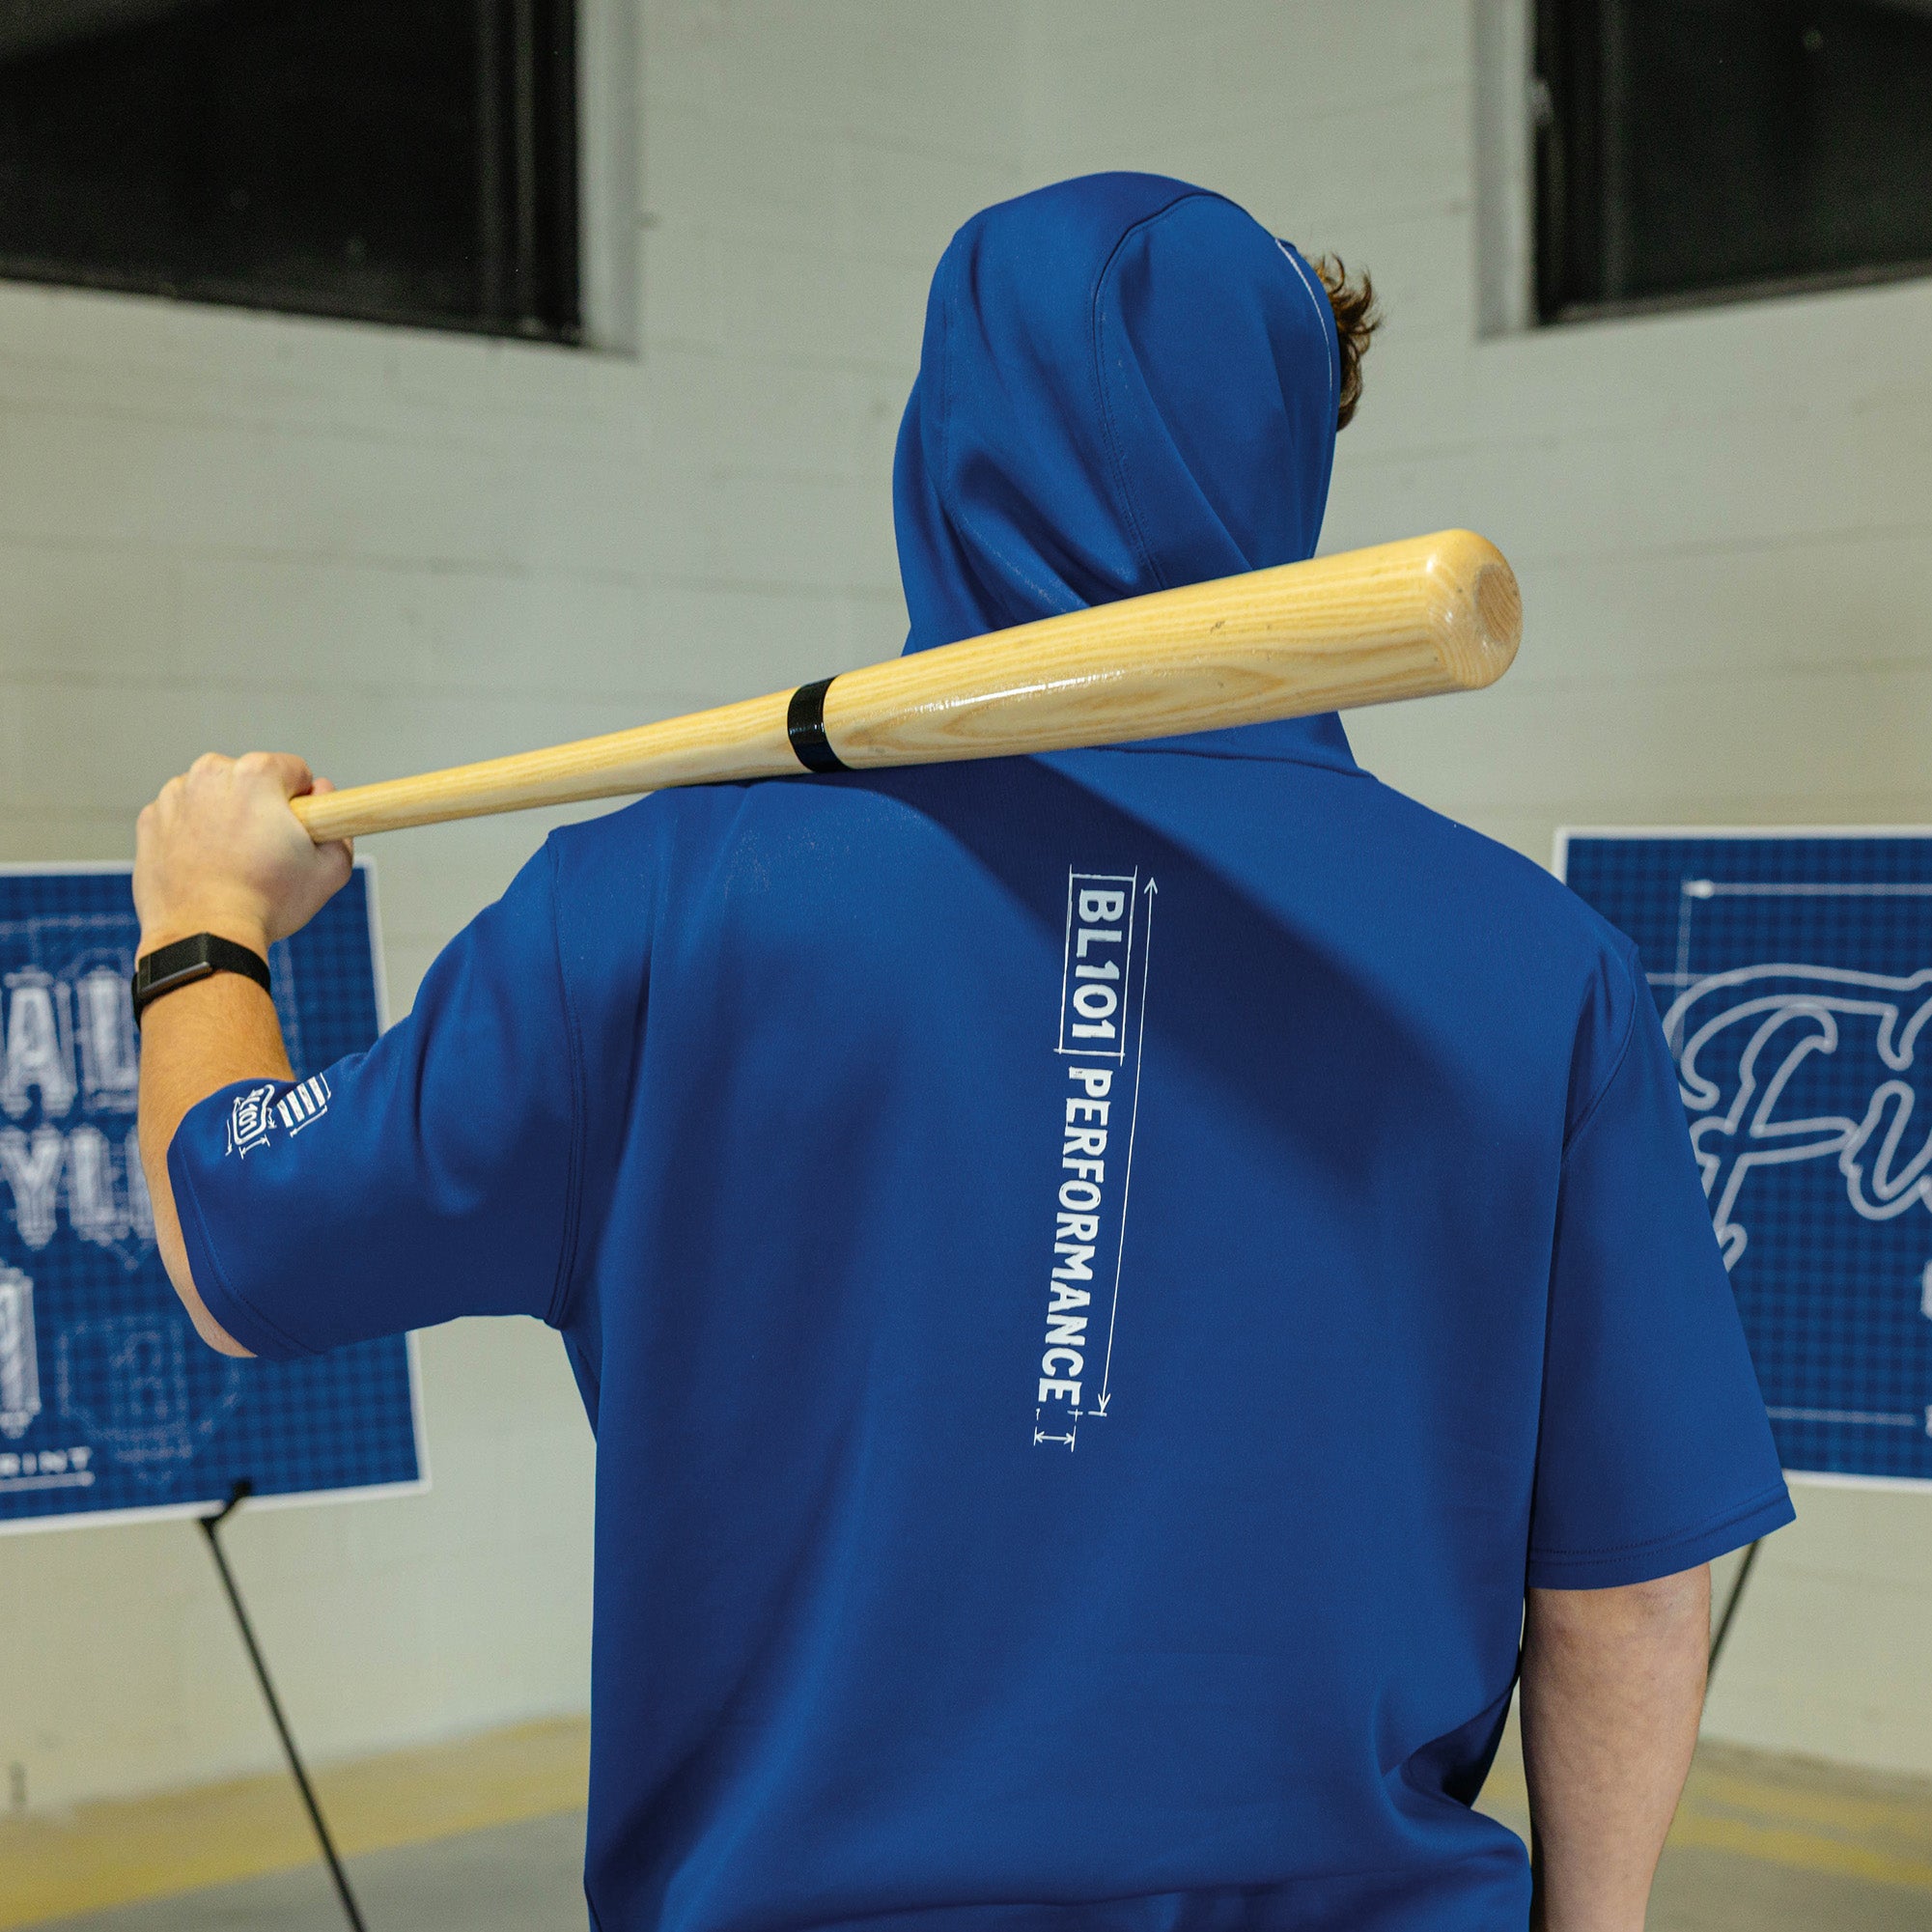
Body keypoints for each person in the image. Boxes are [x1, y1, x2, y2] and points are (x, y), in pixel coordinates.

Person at [132, 174, 1791, 1932]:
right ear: (1291, 468)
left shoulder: (647, 908)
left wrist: (202, 923)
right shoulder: (1536, 974)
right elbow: (1621, 1589)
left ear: (939, 443)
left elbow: (240, 1241)